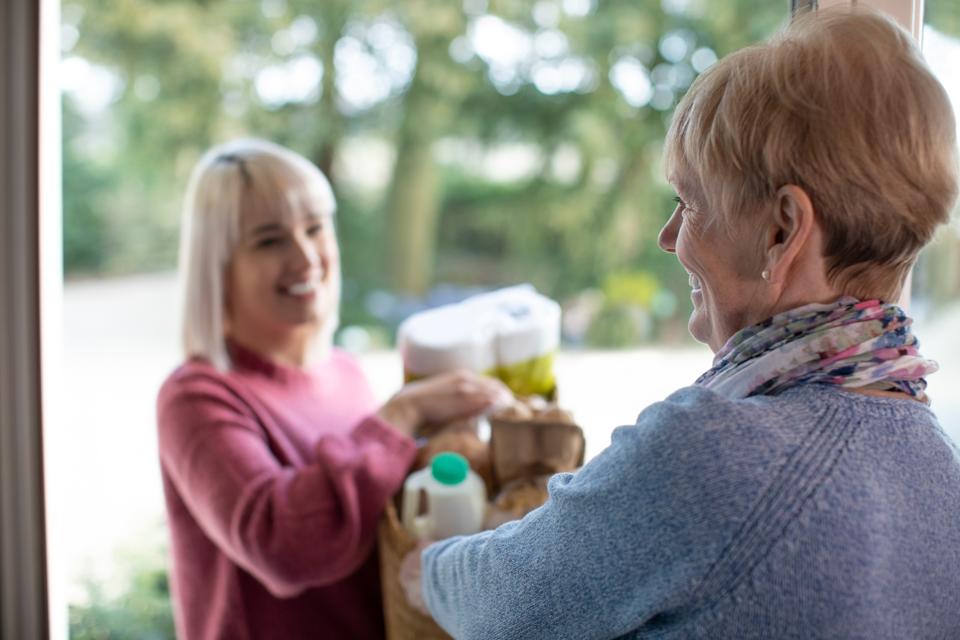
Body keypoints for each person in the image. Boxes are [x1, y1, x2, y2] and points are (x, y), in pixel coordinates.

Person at [416, 8, 960, 639]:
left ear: (781, 230)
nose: (668, 237)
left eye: (690, 202)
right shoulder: (939, 468)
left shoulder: (715, 451)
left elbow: (501, 605)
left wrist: (426, 567)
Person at [156, 138, 508, 640]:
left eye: (315, 227)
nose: (305, 257)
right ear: (219, 266)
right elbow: (284, 547)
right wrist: (400, 418)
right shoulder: (196, 397)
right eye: (268, 240)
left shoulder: (344, 371)